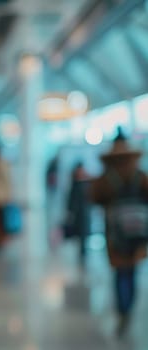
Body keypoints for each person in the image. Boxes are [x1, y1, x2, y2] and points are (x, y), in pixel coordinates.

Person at [90, 127, 148, 337]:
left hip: (114, 234)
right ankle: (129, 306)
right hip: (138, 233)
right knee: (132, 271)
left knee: (119, 272)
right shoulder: (139, 175)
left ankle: (122, 309)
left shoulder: (106, 177)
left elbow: (94, 197)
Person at [64, 161, 92, 264]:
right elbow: (71, 200)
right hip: (78, 214)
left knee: (84, 235)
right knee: (80, 234)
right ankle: (81, 254)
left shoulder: (86, 182)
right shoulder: (75, 184)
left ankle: (83, 254)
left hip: (85, 213)